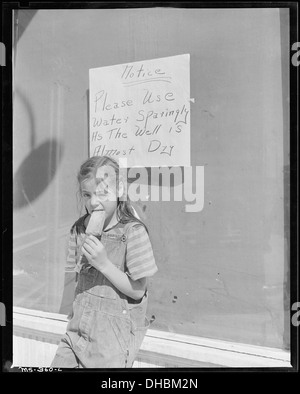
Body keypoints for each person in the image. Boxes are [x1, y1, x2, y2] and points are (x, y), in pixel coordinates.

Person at [51, 155, 158, 368]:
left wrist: (104, 264)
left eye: (101, 193)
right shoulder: (78, 229)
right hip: (75, 336)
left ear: (119, 191)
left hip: (111, 343)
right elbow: (78, 283)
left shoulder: (133, 233)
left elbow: (138, 291)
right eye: (87, 194)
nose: (92, 202)